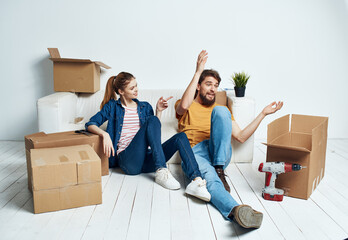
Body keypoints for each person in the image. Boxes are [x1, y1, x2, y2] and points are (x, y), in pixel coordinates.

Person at [175, 50, 283, 229]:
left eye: (215, 85)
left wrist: (263, 113)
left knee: (221, 110)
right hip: (195, 153)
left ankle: (219, 168)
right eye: (208, 84)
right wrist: (197, 71)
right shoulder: (186, 104)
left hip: (218, 150)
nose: (212, 89)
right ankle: (237, 210)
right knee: (210, 181)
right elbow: (183, 106)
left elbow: (240, 136)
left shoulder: (221, 110)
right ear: (198, 86)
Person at [85, 72, 210, 201]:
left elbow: (153, 134)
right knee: (152, 120)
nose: (136, 90)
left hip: (146, 159)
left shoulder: (145, 107)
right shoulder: (112, 107)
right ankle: (162, 171)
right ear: (121, 91)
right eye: (132, 88)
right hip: (128, 161)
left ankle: (196, 180)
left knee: (181, 137)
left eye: (136, 85)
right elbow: (90, 124)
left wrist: (158, 112)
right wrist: (104, 134)